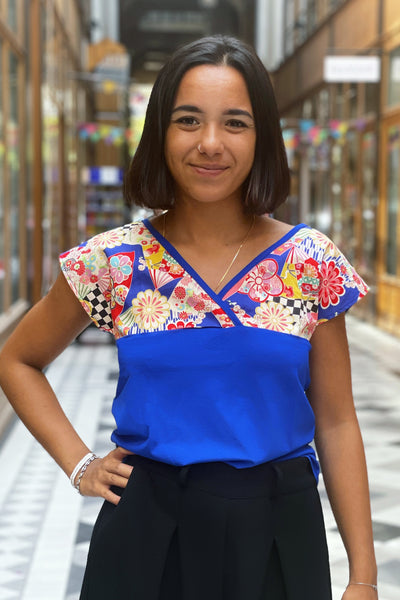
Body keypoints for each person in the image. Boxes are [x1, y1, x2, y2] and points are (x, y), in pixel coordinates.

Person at [0, 35, 377, 600]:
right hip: (145, 531)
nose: (209, 144)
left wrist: (364, 576)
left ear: (262, 137)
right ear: (160, 131)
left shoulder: (310, 261)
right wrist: (80, 465)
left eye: (235, 123)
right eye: (188, 120)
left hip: (279, 529)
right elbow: (18, 358)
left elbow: (338, 421)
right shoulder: (115, 261)